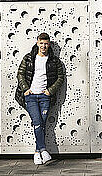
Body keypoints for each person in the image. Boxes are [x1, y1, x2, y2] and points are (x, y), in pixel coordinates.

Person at [15, 32, 65, 165]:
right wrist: (25, 89)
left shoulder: (54, 61)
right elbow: (20, 73)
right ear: (37, 43)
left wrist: (50, 91)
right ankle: (42, 150)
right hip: (31, 97)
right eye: (41, 43)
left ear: (49, 45)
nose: (43, 46)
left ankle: (38, 152)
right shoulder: (29, 58)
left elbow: (61, 77)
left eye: (46, 44)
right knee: (37, 123)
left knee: (41, 124)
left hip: (44, 97)